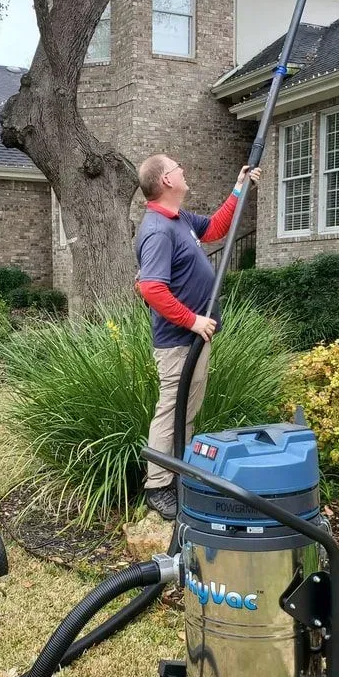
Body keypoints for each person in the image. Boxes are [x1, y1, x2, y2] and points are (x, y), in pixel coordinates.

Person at [135, 155, 261, 520]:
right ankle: (158, 487)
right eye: (178, 168)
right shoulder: (158, 229)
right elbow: (151, 288)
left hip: (192, 339)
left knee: (185, 412)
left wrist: (240, 186)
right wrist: (192, 321)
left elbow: (218, 228)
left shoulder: (180, 220)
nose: (184, 171)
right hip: (178, 342)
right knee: (171, 410)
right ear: (165, 181)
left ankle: (177, 476)